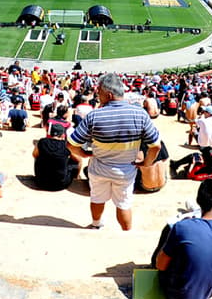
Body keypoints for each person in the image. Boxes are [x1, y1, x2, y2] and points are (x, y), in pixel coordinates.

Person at [68, 73, 160, 231]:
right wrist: (146, 163)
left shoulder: (94, 115)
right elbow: (156, 146)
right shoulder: (140, 114)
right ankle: (126, 234)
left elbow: (71, 143)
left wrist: (84, 154)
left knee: (97, 198)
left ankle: (96, 225)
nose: (97, 95)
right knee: (124, 204)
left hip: (99, 168)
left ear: (109, 95)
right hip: (126, 170)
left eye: (99, 92)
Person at [33, 123, 81, 191]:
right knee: (74, 160)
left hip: (41, 182)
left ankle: (41, 174)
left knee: (38, 156)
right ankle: (76, 177)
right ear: (63, 135)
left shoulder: (42, 141)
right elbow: (79, 160)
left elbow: (34, 155)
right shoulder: (66, 145)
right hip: (61, 185)